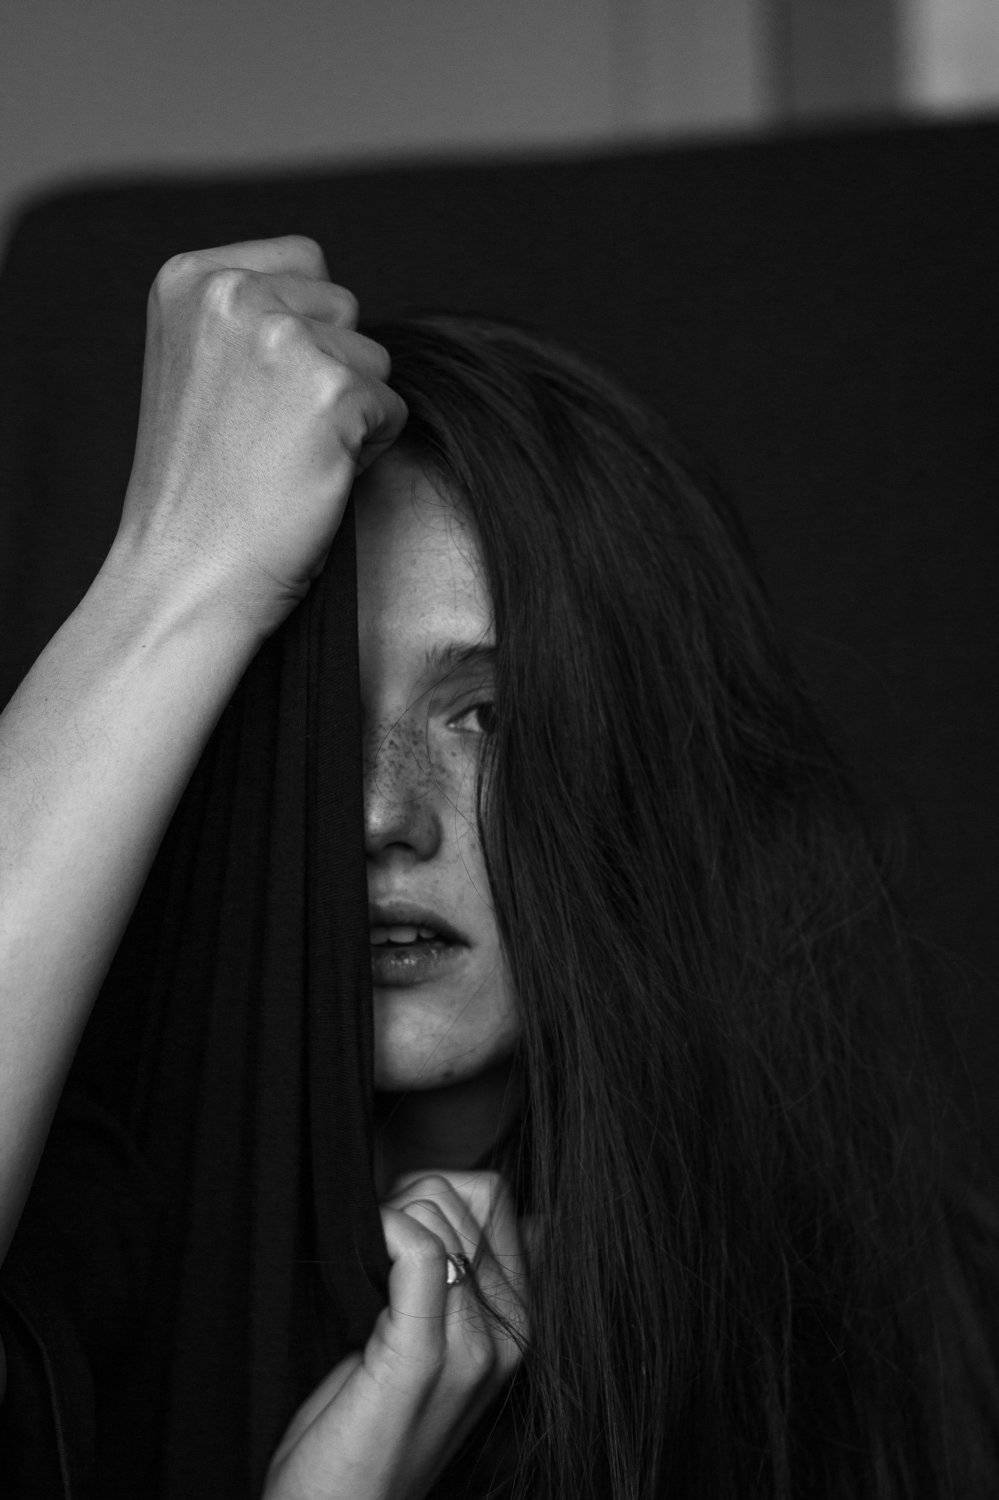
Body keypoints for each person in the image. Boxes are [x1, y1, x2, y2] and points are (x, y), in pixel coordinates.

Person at [0, 233, 997, 1498]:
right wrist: (175, 572)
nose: (380, 815)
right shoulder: (82, 1261)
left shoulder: (872, 1322)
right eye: (314, 732)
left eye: (490, 717)